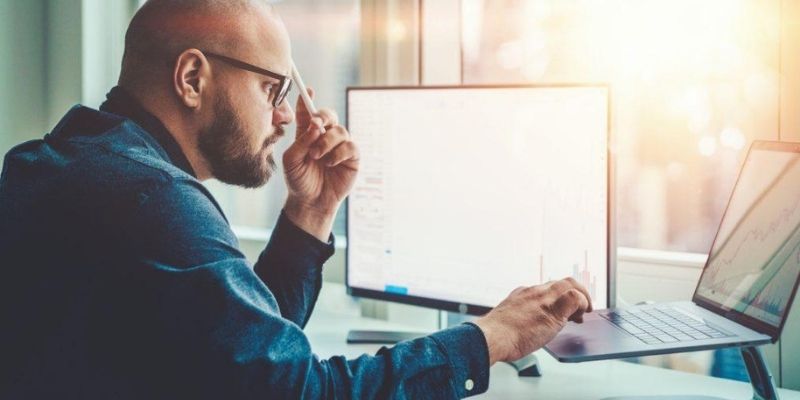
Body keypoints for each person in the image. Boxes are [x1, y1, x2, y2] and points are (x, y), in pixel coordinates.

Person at [0, 1, 592, 398]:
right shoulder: (151, 199)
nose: (285, 116)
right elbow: (301, 390)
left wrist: (311, 209)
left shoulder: (73, 161)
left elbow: (246, 356)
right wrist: (493, 337)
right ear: (191, 78)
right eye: (272, 87)